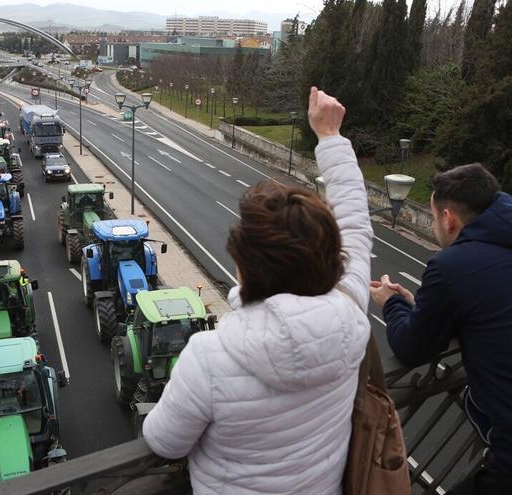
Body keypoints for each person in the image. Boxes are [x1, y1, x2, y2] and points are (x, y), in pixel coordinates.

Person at [142, 87, 372, 494]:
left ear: (246, 267)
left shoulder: (208, 357)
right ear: (330, 258)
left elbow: (164, 441)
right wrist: (331, 137)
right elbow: (356, 226)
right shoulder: (351, 315)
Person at [370, 164, 512, 494]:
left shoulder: (452, 266)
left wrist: (390, 303)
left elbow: (410, 347)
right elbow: (505, 309)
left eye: (434, 217)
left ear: (448, 218)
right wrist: (423, 308)